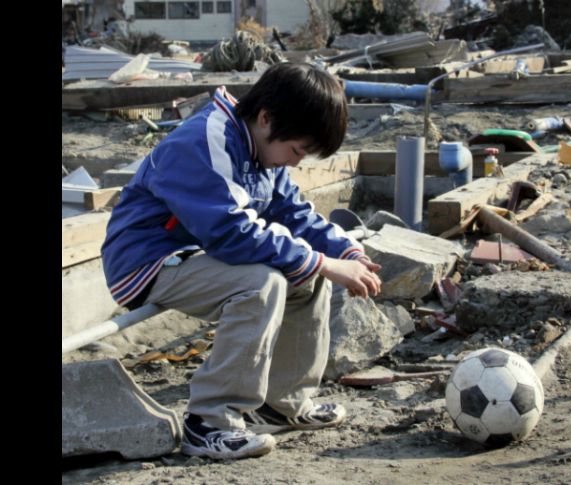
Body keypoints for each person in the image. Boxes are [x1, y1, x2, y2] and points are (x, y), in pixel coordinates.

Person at [101, 62, 382, 460]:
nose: (296, 162)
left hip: (197, 254)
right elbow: (230, 232)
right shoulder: (205, 140)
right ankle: (208, 423)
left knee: (305, 277)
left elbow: (294, 213)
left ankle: (280, 405)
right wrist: (322, 262)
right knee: (262, 282)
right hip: (146, 261)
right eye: (297, 150)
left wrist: (345, 252)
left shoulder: (260, 148)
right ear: (266, 118)